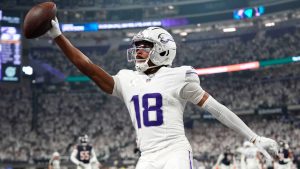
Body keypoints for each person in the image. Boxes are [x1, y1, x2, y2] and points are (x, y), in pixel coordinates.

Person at [48, 17, 279, 169]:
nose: (137, 52)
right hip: (147, 157)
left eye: (144, 47)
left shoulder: (180, 76)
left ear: (161, 50)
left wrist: (254, 138)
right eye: (137, 47)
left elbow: (217, 109)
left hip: (174, 152)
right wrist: (59, 37)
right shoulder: (127, 79)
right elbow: (88, 67)